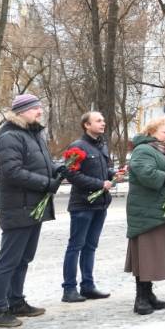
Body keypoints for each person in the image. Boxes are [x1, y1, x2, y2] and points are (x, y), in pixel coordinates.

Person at [0, 93, 63, 329]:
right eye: (35, 109)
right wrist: (45, 183)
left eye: (39, 107)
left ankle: (17, 301)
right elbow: (12, 172)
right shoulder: (10, 137)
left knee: (24, 258)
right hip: (18, 207)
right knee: (9, 260)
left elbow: (42, 165)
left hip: (33, 207)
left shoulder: (34, 135)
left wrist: (61, 170)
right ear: (21, 112)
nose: (40, 112)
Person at [124, 116, 165, 315]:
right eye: (164, 132)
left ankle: (148, 293)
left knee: (152, 253)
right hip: (145, 209)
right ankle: (140, 297)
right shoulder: (143, 149)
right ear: (151, 132)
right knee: (145, 253)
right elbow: (146, 174)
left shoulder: (163, 150)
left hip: (158, 209)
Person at [60, 111, 117, 303]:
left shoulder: (102, 145)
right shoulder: (77, 146)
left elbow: (104, 170)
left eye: (103, 120)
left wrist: (113, 174)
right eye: (98, 121)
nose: (103, 123)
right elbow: (71, 175)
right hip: (82, 205)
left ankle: (88, 286)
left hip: (100, 205)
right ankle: (69, 289)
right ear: (86, 125)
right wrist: (99, 184)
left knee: (91, 247)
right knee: (75, 246)